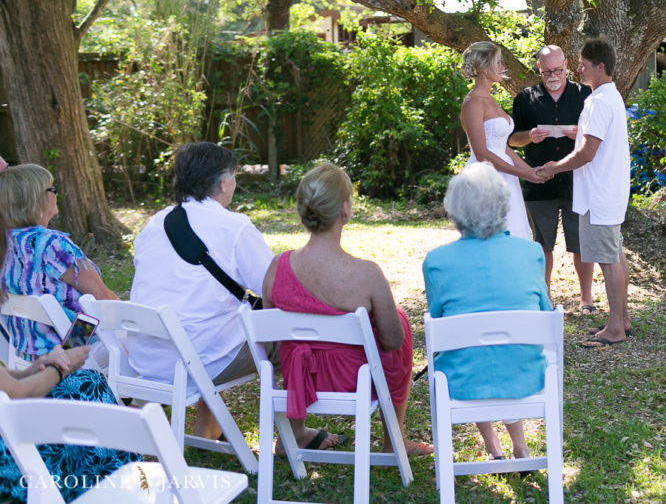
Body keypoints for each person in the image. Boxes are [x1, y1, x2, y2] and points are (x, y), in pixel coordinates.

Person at [260, 163, 431, 456]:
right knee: (399, 321)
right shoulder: (367, 275)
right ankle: (394, 440)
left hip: (300, 380)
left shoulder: (277, 267)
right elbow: (392, 342)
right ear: (345, 210)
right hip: (354, 382)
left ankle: (294, 432)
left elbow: (268, 340)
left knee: (298, 345)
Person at [129, 142, 274, 442]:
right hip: (199, 361)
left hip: (145, 358)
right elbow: (273, 289)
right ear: (223, 182)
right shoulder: (234, 227)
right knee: (286, 336)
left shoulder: (154, 223)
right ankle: (293, 436)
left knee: (214, 317)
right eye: (234, 177)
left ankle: (208, 427)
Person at [0, 210, 139, 503]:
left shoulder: (24, 241)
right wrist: (63, 367)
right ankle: (120, 487)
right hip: (9, 466)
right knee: (86, 384)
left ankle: (122, 477)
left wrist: (36, 367)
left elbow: (9, 383)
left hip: (20, 389)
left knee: (86, 382)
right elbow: (18, 394)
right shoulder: (52, 245)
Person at [423, 163, 552, 461]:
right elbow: (544, 314)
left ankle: (494, 448)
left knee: (469, 347)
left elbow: (441, 326)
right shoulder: (531, 252)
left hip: (462, 378)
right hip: (525, 373)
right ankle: (519, 447)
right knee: (503, 347)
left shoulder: (436, 261)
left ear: (454, 210)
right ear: (502, 206)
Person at [538, 38, 631, 347]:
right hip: (609, 191)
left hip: (599, 193)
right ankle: (622, 319)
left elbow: (587, 153)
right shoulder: (609, 97)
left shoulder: (599, 101)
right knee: (615, 254)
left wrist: (553, 167)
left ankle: (615, 327)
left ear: (599, 67)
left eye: (582, 64)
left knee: (608, 260)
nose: (577, 69)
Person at [509, 45, 595, 311]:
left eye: (558, 70)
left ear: (567, 65)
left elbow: (597, 135)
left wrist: (579, 133)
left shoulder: (584, 94)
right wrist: (529, 136)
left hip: (576, 181)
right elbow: (511, 139)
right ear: (539, 69)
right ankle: (543, 299)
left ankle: (586, 299)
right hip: (539, 181)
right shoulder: (525, 98)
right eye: (547, 71)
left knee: (580, 244)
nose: (553, 75)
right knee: (541, 244)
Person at [0, 164, 118, 359]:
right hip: (73, 348)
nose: (56, 194)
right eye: (52, 189)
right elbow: (103, 298)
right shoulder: (51, 244)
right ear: (37, 198)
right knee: (147, 344)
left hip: (28, 354)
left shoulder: (5, 244)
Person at [459, 41, 542, 240]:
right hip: (485, 177)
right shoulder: (472, 103)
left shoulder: (490, 99)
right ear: (484, 69)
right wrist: (521, 172)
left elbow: (502, 147)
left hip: (506, 176)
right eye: (497, 63)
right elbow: (482, 153)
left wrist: (529, 171)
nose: (502, 67)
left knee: (514, 233)